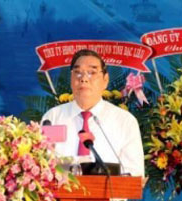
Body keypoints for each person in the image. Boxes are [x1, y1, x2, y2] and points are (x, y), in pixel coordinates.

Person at [42, 49, 144, 177]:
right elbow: (44, 165)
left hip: (110, 196)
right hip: (61, 195)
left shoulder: (124, 121)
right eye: (78, 73)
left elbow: (135, 174)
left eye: (91, 72)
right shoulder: (54, 118)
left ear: (105, 80)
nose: (84, 78)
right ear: (71, 79)